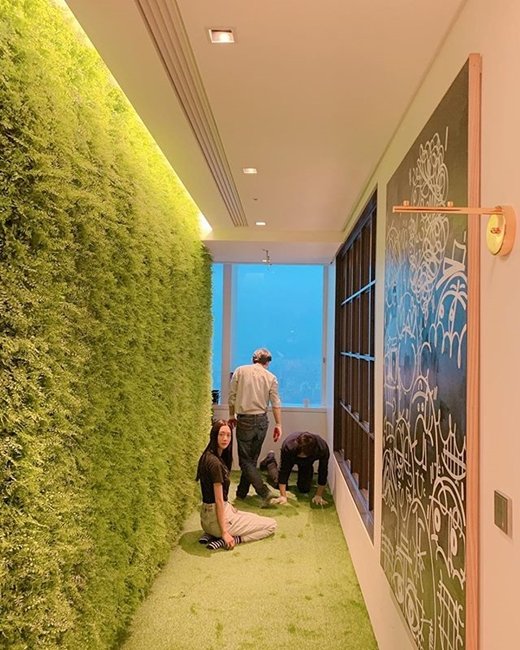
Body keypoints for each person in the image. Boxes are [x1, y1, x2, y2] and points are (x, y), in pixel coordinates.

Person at [196, 419, 277, 550]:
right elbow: (219, 500)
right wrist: (224, 533)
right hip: (218, 522)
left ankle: (212, 534)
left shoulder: (206, 456)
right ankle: (230, 538)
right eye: (221, 434)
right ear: (214, 435)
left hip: (206, 520)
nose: (225, 439)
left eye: (228, 435)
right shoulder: (215, 464)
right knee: (271, 525)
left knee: (254, 517)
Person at [228, 348, 282, 504]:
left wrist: (231, 416)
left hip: (245, 420)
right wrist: (278, 424)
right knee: (251, 459)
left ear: (253, 359)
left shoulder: (240, 371)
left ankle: (264, 491)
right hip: (262, 421)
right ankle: (241, 492)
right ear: (268, 362)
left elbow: (232, 397)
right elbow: (275, 403)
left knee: (245, 461)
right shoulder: (271, 377)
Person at [260, 432, 330, 505]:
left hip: (307, 462)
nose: (302, 456)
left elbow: (323, 471)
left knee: (304, 489)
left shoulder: (322, 448)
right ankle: (270, 461)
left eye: (304, 455)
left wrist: (319, 495)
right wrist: (283, 496)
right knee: (279, 484)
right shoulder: (288, 446)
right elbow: (283, 471)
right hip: (292, 457)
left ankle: (306, 475)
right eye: (301, 454)